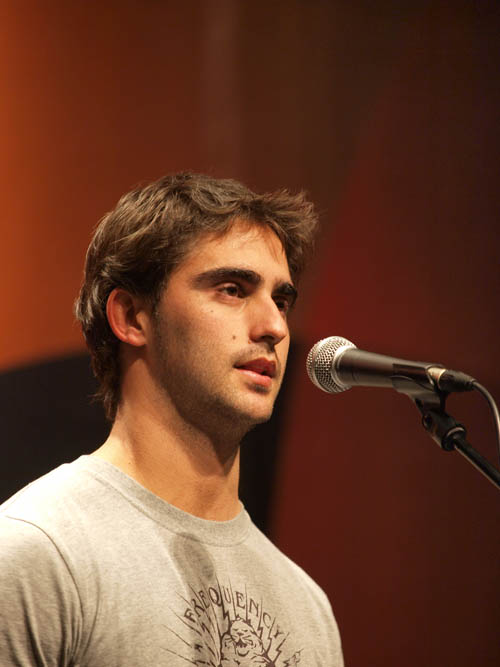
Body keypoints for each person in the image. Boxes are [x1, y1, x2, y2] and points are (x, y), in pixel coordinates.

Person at [0, 173, 343, 665]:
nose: (274, 326)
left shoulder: (309, 609)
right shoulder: (37, 552)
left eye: (282, 301)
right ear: (131, 317)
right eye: (232, 289)